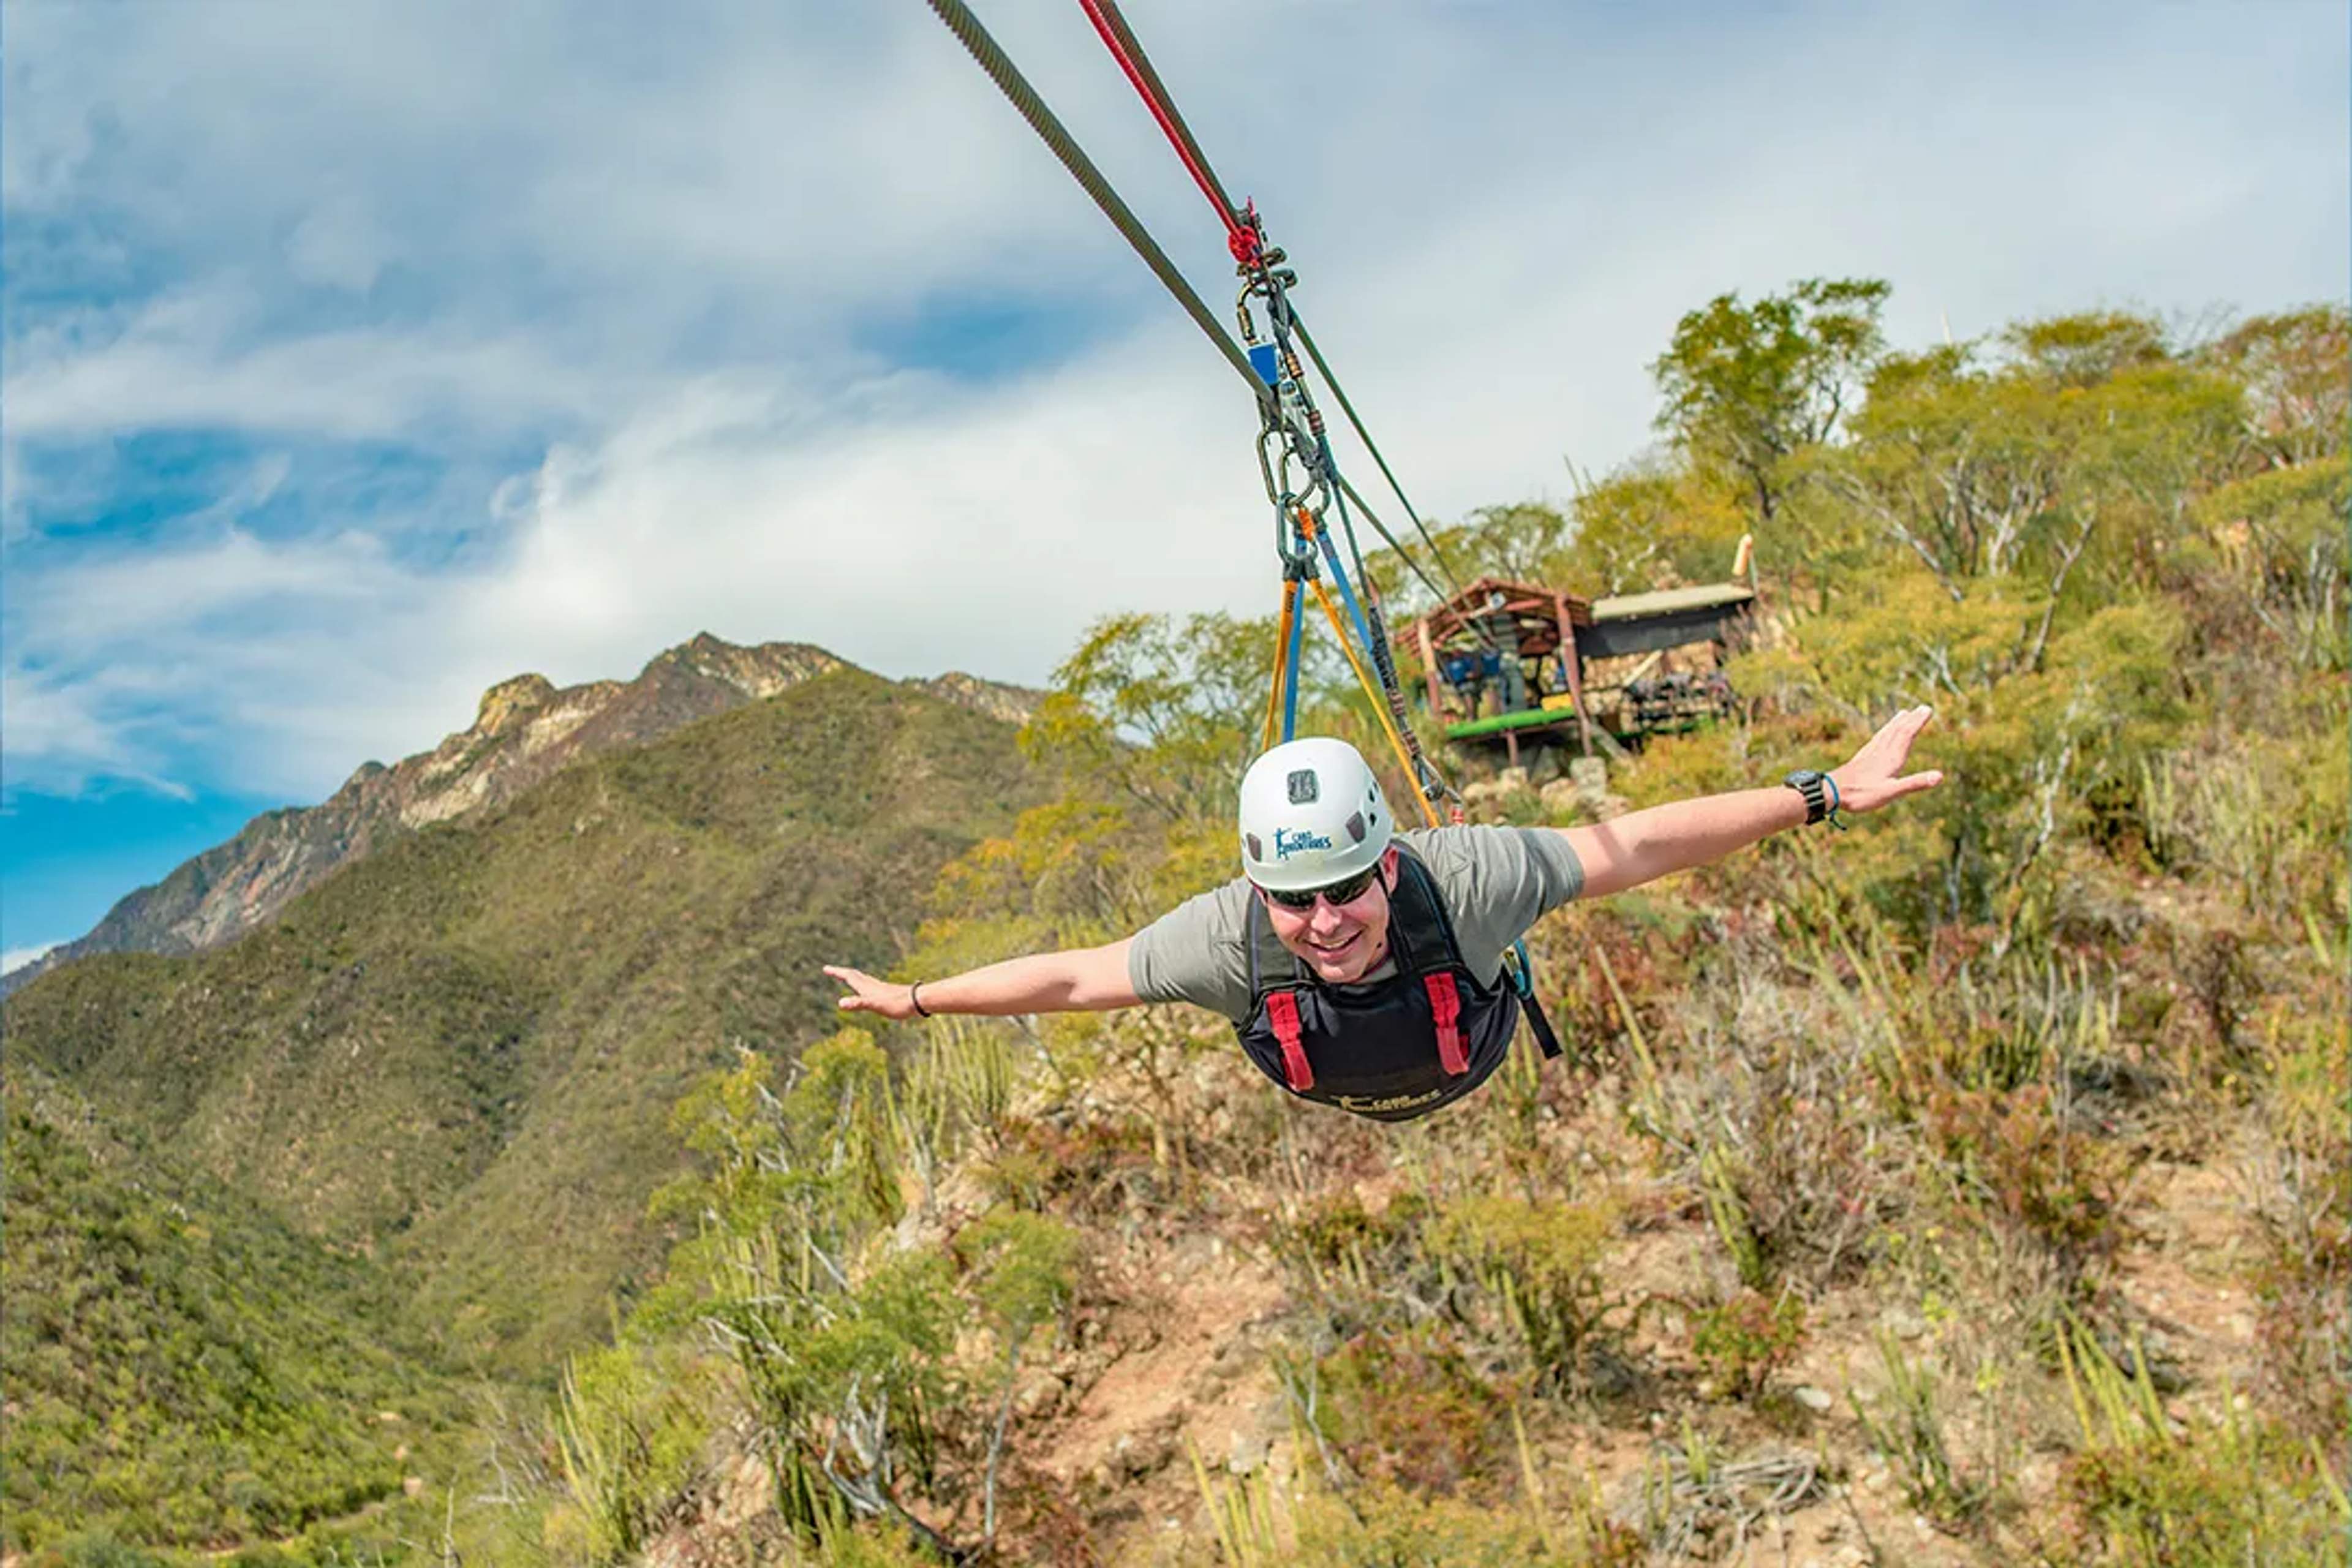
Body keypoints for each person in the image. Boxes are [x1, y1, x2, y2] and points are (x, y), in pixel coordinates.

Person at [826, 707, 1943, 1121]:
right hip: (1361, 1084)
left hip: (1466, 1059)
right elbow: (1073, 978)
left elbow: (1640, 842)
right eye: (1296, 901)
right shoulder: (1228, 938)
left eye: (1347, 890)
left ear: (1388, 862)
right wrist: (917, 1001)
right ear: (1260, 891)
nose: (1324, 924)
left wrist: (1826, 793)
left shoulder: (1468, 880)